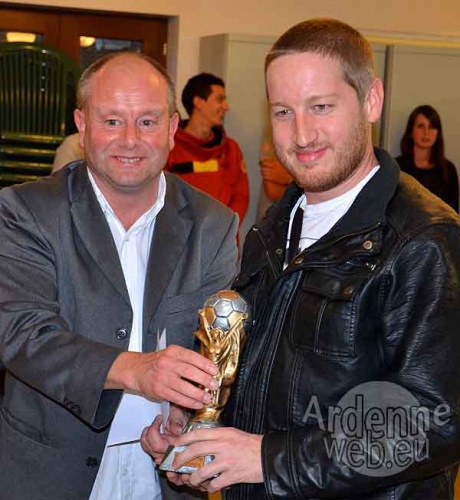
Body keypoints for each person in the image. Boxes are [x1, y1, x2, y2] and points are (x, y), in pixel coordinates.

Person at [142, 18, 460, 499]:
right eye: (283, 111)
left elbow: (433, 421)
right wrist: (200, 432)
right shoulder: (271, 229)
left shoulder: (424, 240)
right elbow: (267, 377)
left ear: (371, 100)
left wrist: (265, 459)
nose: (302, 134)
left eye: (321, 107)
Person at [0, 52, 239, 500]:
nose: (130, 140)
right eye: (112, 121)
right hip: (50, 470)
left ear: (172, 128)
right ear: (82, 124)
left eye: (147, 122)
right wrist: (137, 370)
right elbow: (22, 333)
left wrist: (184, 416)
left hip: (162, 473)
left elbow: (215, 352)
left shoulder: (213, 225)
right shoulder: (25, 211)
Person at [165, 73, 249, 226]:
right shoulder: (170, 147)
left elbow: (241, 196)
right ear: (198, 102)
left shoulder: (231, 149)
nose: (226, 107)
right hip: (180, 233)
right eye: (220, 99)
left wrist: (224, 228)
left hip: (222, 234)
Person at [396, 104, 459, 212]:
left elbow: (453, 213)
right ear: (411, 131)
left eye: (432, 127)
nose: (426, 133)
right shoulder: (397, 168)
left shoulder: (448, 170)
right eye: (421, 126)